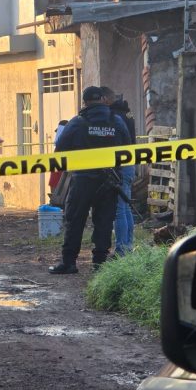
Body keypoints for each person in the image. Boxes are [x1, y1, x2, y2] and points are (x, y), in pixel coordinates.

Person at [48, 86, 131, 275]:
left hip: (83, 180)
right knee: (104, 221)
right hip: (109, 181)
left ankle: (69, 263)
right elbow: (128, 150)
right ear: (102, 99)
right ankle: (99, 265)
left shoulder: (77, 122)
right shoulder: (116, 121)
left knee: (75, 220)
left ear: (84, 102)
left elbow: (59, 150)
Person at [100, 86, 136, 257]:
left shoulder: (115, 117)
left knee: (120, 209)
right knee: (126, 207)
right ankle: (128, 245)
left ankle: (122, 249)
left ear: (106, 99)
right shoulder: (126, 114)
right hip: (130, 164)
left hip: (120, 166)